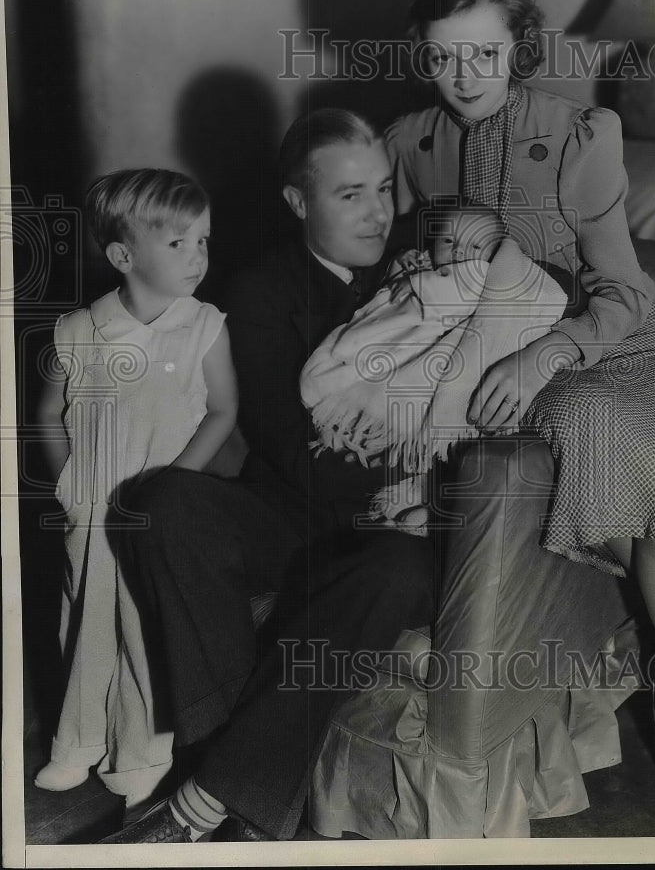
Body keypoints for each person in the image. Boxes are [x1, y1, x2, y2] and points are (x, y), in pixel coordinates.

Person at [385, 0, 655, 795]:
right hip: (506, 353)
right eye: (439, 57)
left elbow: (621, 286)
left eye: (480, 54)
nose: (459, 77)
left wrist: (551, 347)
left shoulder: (584, 135)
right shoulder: (406, 144)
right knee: (598, 436)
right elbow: (401, 280)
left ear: (520, 45)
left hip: (613, 337)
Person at [100, 109, 434, 844]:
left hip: (397, 536)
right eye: (350, 195)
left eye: (384, 188)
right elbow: (289, 445)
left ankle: (199, 808)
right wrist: (388, 450)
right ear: (297, 203)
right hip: (291, 513)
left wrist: (397, 467)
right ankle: (229, 787)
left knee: (398, 567)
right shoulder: (258, 289)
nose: (378, 212)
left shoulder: (428, 268)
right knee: (160, 502)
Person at [35, 169, 238, 808]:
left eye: (203, 240)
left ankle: (141, 751)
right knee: (85, 620)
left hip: (159, 505)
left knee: (145, 622)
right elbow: (46, 413)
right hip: (93, 506)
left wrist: (177, 485)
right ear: (123, 256)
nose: (198, 256)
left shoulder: (203, 324)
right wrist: (70, 483)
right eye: (178, 243)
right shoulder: (78, 330)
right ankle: (76, 742)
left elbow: (223, 412)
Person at [300, 205, 566, 534]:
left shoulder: (481, 277)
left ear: (495, 255)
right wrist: (401, 276)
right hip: (405, 373)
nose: (458, 253)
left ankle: (417, 503)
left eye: (474, 247)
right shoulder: (422, 269)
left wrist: (419, 286)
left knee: (436, 444)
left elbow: (459, 296)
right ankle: (400, 503)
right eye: (448, 241)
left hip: (448, 384)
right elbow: (388, 313)